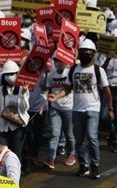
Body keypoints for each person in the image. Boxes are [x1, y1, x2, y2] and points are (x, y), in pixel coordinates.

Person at [48, 39, 113, 179]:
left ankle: (94, 165)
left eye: (88, 53)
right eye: (83, 52)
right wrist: (56, 96)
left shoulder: (98, 70)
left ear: (93, 54)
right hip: (77, 110)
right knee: (79, 140)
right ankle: (83, 166)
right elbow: (67, 88)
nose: (85, 55)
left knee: (92, 136)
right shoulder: (73, 70)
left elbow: (107, 90)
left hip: (93, 109)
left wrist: (110, 108)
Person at [0, 60, 30, 162]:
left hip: (17, 126)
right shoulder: (1, 89)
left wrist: (24, 94)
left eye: (12, 74)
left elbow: (25, 108)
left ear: (17, 74)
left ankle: (16, 175)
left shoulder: (23, 88)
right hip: (3, 127)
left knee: (17, 153)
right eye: (7, 74)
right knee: (3, 153)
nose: (9, 76)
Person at [44, 56, 76, 169]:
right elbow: (48, 88)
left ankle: (71, 154)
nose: (58, 63)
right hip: (55, 107)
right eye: (56, 61)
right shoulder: (51, 74)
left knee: (69, 134)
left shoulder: (70, 73)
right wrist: (47, 100)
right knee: (55, 134)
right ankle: (51, 158)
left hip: (68, 107)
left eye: (60, 61)